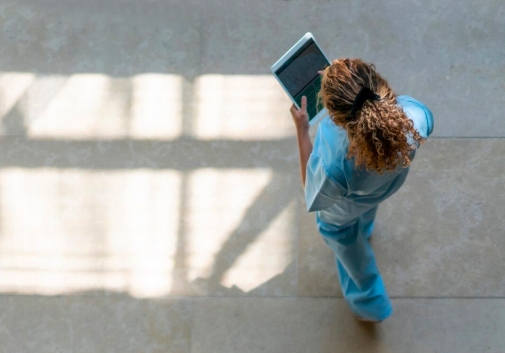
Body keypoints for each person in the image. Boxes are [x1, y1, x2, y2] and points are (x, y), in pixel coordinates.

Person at [289, 58, 434, 322]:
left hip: (342, 212)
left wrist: (302, 131)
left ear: (336, 117)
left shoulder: (335, 157)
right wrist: (346, 82)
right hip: (384, 187)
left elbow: (313, 194)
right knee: (366, 210)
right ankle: (365, 230)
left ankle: (371, 306)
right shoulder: (416, 116)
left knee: (351, 251)